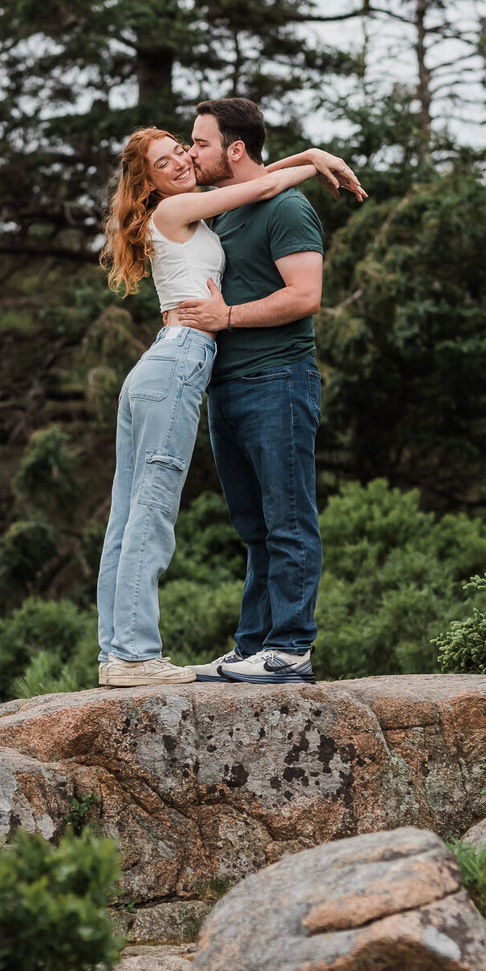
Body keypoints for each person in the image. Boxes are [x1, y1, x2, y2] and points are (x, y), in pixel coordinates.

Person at [96, 126, 363, 688]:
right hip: (179, 361)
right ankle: (135, 656)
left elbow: (252, 179)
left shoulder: (187, 212)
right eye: (165, 160)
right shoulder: (180, 210)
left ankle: (119, 653)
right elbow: (249, 188)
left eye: (184, 151)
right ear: (146, 181)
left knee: (130, 514)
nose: (182, 161)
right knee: (151, 513)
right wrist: (314, 161)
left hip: (168, 362)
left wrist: (307, 157)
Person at [176, 98, 350, 685]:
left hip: (278, 380)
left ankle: (291, 647)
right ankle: (253, 645)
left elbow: (305, 296)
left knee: (288, 518)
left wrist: (226, 318)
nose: (189, 152)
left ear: (235, 149)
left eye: (199, 143)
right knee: (253, 527)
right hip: (226, 387)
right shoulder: (227, 209)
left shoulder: (288, 208)